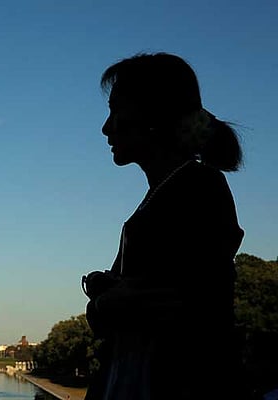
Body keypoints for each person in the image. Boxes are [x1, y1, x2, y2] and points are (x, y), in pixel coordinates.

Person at [82, 52, 246, 400]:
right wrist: (106, 299)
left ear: (151, 115)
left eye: (115, 110)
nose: (106, 127)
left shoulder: (196, 189)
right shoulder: (168, 192)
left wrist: (105, 302)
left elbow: (181, 315)